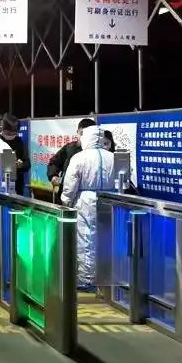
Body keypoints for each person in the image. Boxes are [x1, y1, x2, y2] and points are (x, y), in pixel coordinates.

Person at [61, 125, 116, 290]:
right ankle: (108, 274)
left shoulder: (79, 157)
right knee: (107, 238)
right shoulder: (112, 157)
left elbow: (70, 183)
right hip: (110, 199)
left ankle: (87, 278)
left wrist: (66, 200)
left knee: (86, 238)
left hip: (86, 200)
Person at [47, 118, 96, 196]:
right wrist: (53, 176)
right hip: (66, 193)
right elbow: (54, 162)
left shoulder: (99, 152)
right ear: (77, 132)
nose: (83, 137)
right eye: (81, 133)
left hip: (88, 195)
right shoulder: (69, 148)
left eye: (88, 134)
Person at [0, 113, 30, 196]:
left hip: (17, 185)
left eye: (13, 133)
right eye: (8, 133)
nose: (10, 136)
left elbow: (27, 164)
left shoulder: (19, 142)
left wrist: (21, 165)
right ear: (3, 129)